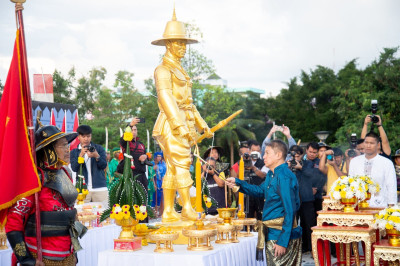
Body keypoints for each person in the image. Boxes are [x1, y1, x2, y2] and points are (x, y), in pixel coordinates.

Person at [151, 10, 214, 222]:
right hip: (171, 123)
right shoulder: (163, 69)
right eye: (178, 43)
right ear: (168, 45)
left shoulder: (180, 70)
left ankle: (168, 210)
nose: (183, 48)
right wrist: (180, 126)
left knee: (172, 167)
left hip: (183, 120)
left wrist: (201, 123)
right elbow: (166, 99)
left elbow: (189, 103)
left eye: (184, 43)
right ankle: (186, 206)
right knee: (182, 163)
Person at [6, 125, 86, 266]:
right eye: (62, 145)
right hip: (42, 258)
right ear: (48, 150)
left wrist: (74, 253)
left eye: (67, 144)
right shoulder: (33, 179)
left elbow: (70, 216)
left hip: (68, 256)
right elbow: (14, 221)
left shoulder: (65, 173)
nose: (68, 149)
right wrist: (26, 260)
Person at [226, 140, 302, 265]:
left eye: (267, 153)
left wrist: (283, 241)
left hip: (281, 235)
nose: (263, 156)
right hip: (272, 233)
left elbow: (290, 210)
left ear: (278, 155)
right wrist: (238, 182)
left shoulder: (283, 176)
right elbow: (260, 191)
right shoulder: (272, 174)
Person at [349, 131, 397, 207]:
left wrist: (391, 209)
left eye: (371, 143)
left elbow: (391, 186)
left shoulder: (386, 163)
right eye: (366, 142)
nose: (368, 146)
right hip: (358, 206)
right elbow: (351, 184)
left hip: (380, 206)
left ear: (378, 145)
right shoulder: (354, 161)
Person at [70, 125, 108, 204]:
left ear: (91, 136)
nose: (86, 139)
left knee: (103, 213)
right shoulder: (74, 152)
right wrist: (80, 155)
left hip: (99, 188)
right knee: (81, 213)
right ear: (78, 137)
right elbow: (74, 168)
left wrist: (97, 156)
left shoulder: (99, 148)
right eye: (83, 136)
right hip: (82, 189)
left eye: (88, 136)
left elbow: (104, 165)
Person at [117, 118, 150, 194]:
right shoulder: (126, 143)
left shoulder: (141, 144)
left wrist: (145, 157)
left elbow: (146, 157)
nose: (134, 132)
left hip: (142, 174)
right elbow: (123, 139)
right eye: (132, 130)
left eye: (135, 130)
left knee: (144, 197)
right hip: (131, 174)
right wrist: (130, 125)